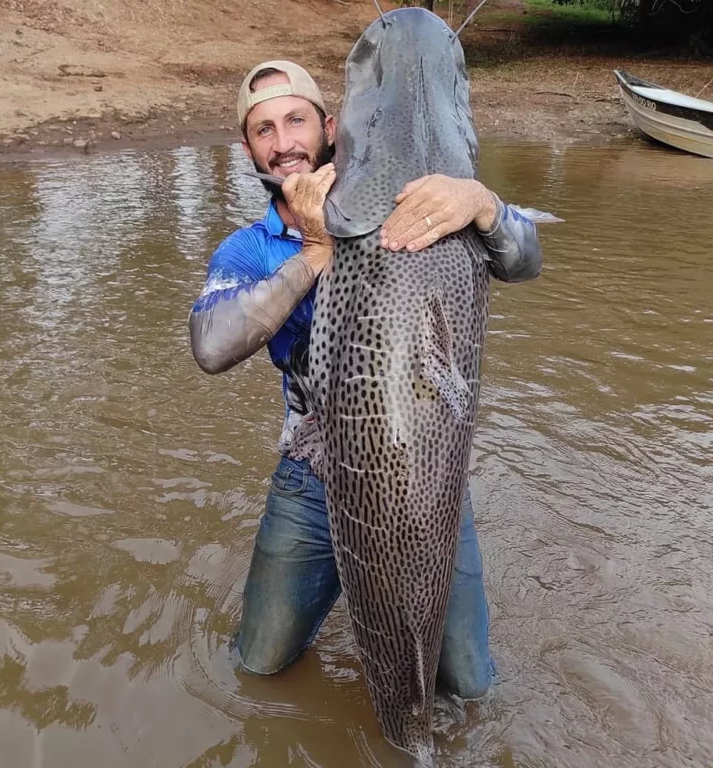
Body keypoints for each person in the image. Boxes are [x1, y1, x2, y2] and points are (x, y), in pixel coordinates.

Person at [189, 61, 542, 701]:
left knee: (466, 687)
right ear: (247, 149)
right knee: (258, 665)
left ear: (330, 128)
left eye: (296, 120)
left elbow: (525, 262)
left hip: (429, 477)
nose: (283, 141)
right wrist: (317, 251)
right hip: (312, 475)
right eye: (263, 129)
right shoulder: (248, 248)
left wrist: (484, 203)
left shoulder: (413, 206)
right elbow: (211, 349)